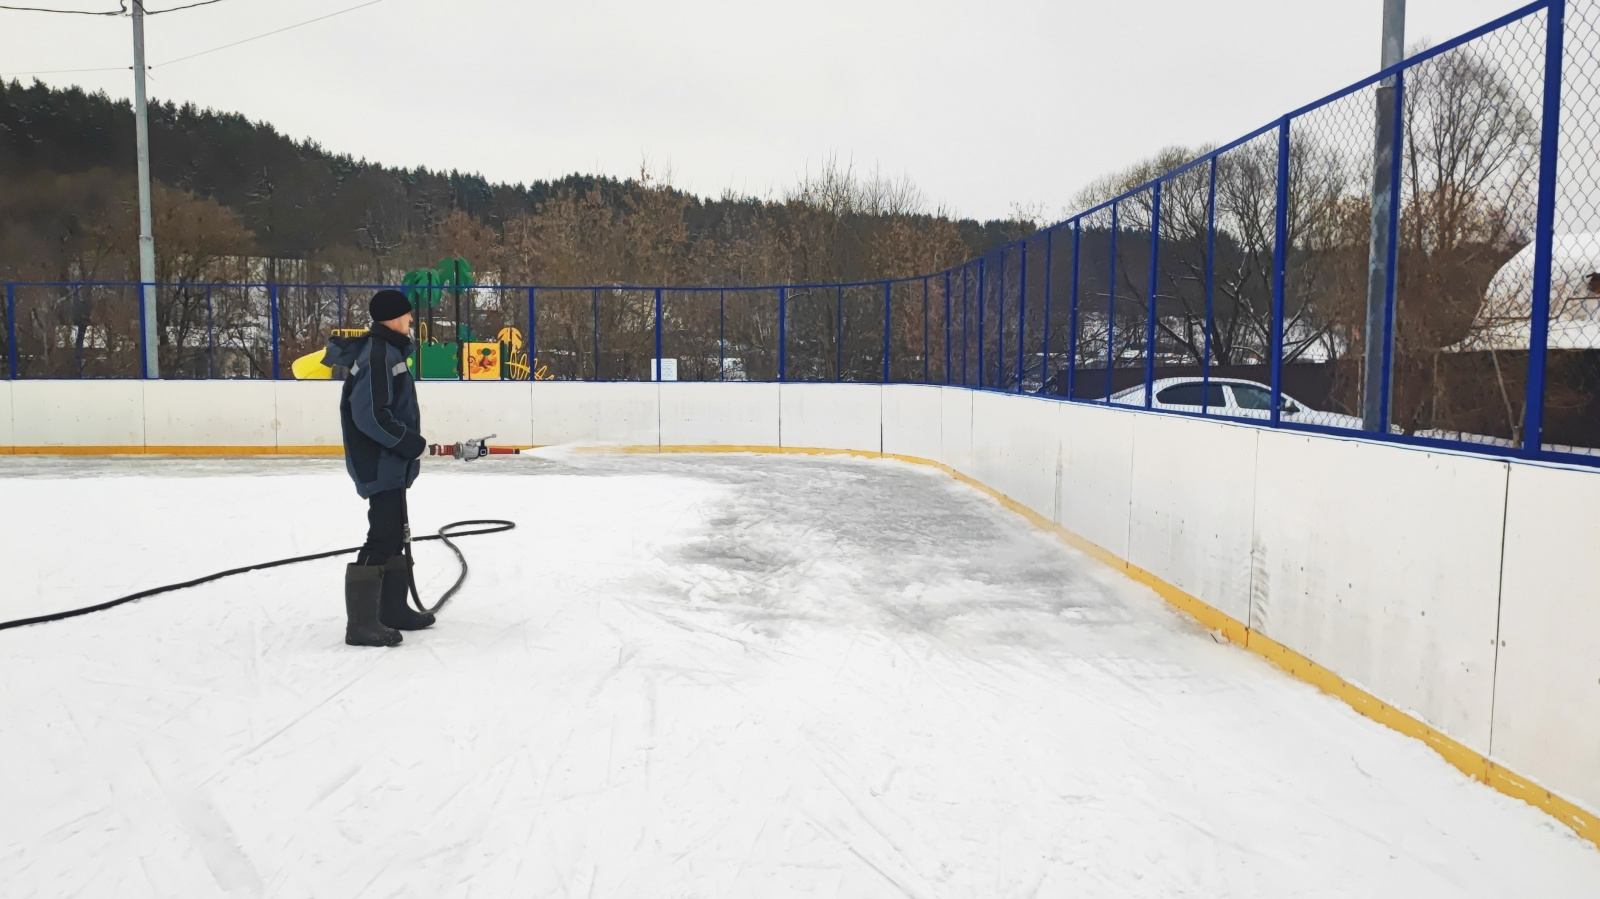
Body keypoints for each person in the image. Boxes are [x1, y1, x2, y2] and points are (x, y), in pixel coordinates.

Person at [322, 289, 434, 647]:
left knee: (395, 530)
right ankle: (362, 625)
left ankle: (392, 609)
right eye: (407, 315)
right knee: (382, 535)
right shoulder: (379, 355)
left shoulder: (388, 352)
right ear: (391, 317)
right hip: (381, 460)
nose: (411, 320)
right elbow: (371, 416)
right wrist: (409, 443)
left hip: (391, 461)